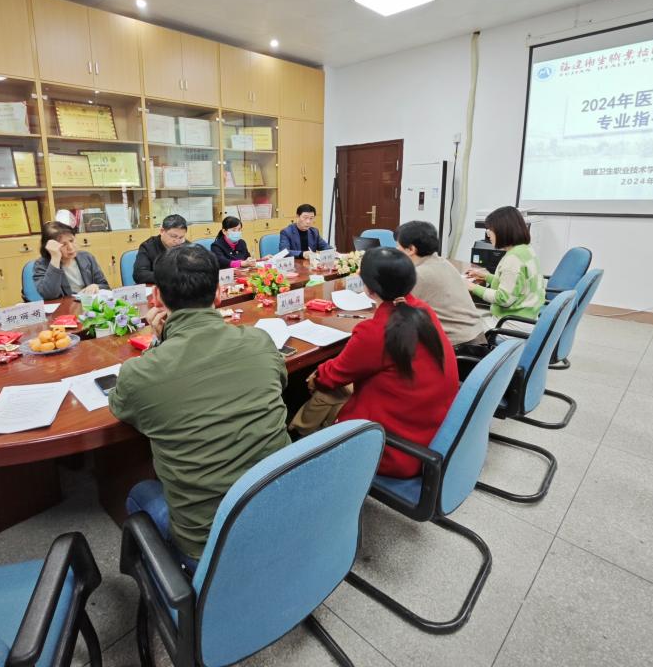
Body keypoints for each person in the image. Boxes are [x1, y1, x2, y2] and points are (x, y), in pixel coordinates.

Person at [110, 245, 290, 564]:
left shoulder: (140, 373)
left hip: (209, 546)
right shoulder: (260, 341)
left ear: (156, 298)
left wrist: (160, 343)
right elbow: (281, 382)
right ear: (219, 294)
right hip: (283, 510)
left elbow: (122, 408)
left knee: (140, 492)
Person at [291, 247, 458, 478]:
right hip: (433, 429)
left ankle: (296, 451)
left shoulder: (376, 331)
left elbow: (331, 377)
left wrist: (317, 374)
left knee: (322, 388)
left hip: (394, 448)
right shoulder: (423, 310)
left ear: (368, 288)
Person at [396, 221, 488, 353]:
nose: (396, 249)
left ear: (411, 249)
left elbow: (396, 306)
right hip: (475, 338)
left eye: (398, 245)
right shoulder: (441, 262)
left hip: (458, 348)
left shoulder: (420, 274)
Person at [465, 206, 546, 320]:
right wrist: (486, 277)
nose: (488, 235)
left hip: (510, 321)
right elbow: (514, 284)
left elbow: (503, 298)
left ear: (502, 231)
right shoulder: (526, 250)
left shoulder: (513, 259)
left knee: (464, 323)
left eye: (490, 231)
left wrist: (472, 287)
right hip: (528, 316)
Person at [32, 221, 109, 299]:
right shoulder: (41, 264)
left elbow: (105, 286)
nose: (71, 247)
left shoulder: (87, 257)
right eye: (63, 244)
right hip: (65, 306)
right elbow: (49, 295)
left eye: (71, 241)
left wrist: (96, 286)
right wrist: (55, 258)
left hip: (88, 303)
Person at [132, 214, 189, 284]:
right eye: (173, 236)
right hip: (159, 287)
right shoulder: (148, 246)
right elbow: (139, 275)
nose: (177, 241)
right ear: (162, 231)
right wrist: (170, 277)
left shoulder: (186, 245)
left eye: (181, 237)